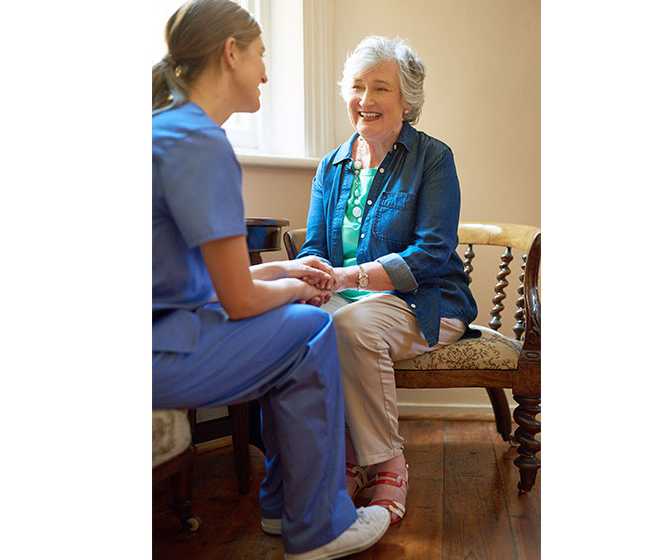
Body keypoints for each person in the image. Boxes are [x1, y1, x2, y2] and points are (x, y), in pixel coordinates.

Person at [151, 2, 390, 558]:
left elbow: (194, 277)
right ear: (230, 52)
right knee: (310, 330)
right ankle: (318, 526)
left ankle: (287, 508)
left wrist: (284, 269)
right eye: (260, 55)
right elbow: (236, 298)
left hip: (163, 324)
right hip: (157, 349)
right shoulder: (199, 142)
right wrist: (302, 288)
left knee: (297, 322)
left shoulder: (168, 129)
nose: (264, 72)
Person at [296, 35, 478, 525]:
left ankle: (388, 466)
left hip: (426, 304)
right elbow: (314, 245)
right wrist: (314, 277)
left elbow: (432, 252)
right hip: (347, 303)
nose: (366, 100)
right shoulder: (331, 166)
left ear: (408, 102)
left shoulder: (433, 159)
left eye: (382, 88)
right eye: (357, 86)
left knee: (353, 326)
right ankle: (338, 460)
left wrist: (350, 275)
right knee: (298, 326)